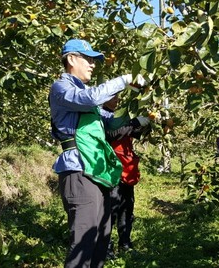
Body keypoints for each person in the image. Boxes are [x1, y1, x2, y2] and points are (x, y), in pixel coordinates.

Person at [49, 39, 146, 268]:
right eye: (88, 59)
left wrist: (140, 114)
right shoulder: (62, 88)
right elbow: (91, 98)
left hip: (97, 171)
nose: (93, 65)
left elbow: (112, 122)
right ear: (72, 59)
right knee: (83, 242)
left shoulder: (87, 96)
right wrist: (124, 79)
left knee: (101, 238)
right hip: (79, 171)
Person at [102, 94, 151, 257]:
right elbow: (110, 136)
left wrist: (148, 124)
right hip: (112, 168)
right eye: (113, 97)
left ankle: (125, 243)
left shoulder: (122, 115)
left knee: (127, 206)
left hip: (127, 168)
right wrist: (132, 123)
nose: (117, 100)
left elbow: (135, 134)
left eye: (117, 97)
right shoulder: (102, 115)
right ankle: (106, 246)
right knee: (111, 208)